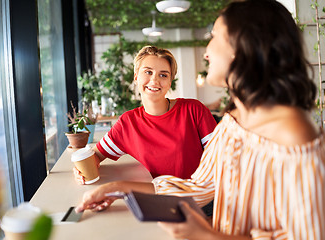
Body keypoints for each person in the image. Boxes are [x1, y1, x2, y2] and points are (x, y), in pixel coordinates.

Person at [76, 0, 325, 238]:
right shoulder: (234, 121)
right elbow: (198, 187)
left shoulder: (295, 135)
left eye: (214, 36)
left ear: (244, 47)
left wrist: (207, 236)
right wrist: (117, 188)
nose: (206, 52)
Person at [74, 46, 217, 184]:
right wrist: (80, 170)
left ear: (169, 82)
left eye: (163, 75)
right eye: (148, 72)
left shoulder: (193, 110)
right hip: (154, 202)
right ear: (136, 77)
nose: (154, 80)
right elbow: (95, 156)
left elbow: (220, 158)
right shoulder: (127, 123)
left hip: (198, 201)